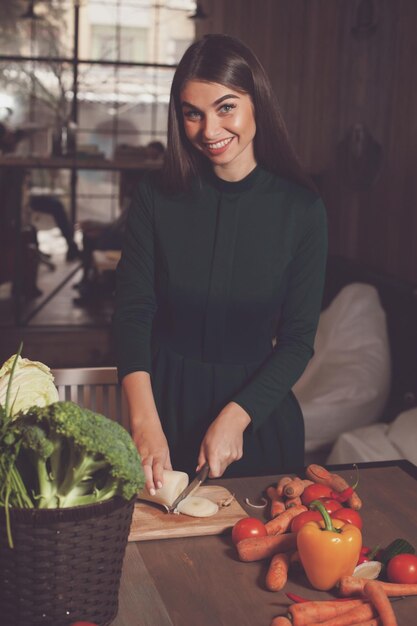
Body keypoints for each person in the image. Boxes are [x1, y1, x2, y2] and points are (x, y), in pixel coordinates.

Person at [113, 34, 328, 494]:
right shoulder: (155, 197)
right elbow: (133, 313)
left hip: (259, 420)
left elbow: (297, 341)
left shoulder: (303, 211)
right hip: (163, 412)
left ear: (257, 104)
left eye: (226, 107)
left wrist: (237, 416)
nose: (209, 131)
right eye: (193, 113)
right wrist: (143, 419)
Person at [0, 122, 80, 261]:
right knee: (55, 206)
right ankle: (69, 247)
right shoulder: (4, 156)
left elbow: (29, 130)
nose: (12, 137)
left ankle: (71, 246)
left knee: (56, 205)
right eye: (8, 134)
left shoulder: (9, 149)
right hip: (10, 205)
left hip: (20, 199)